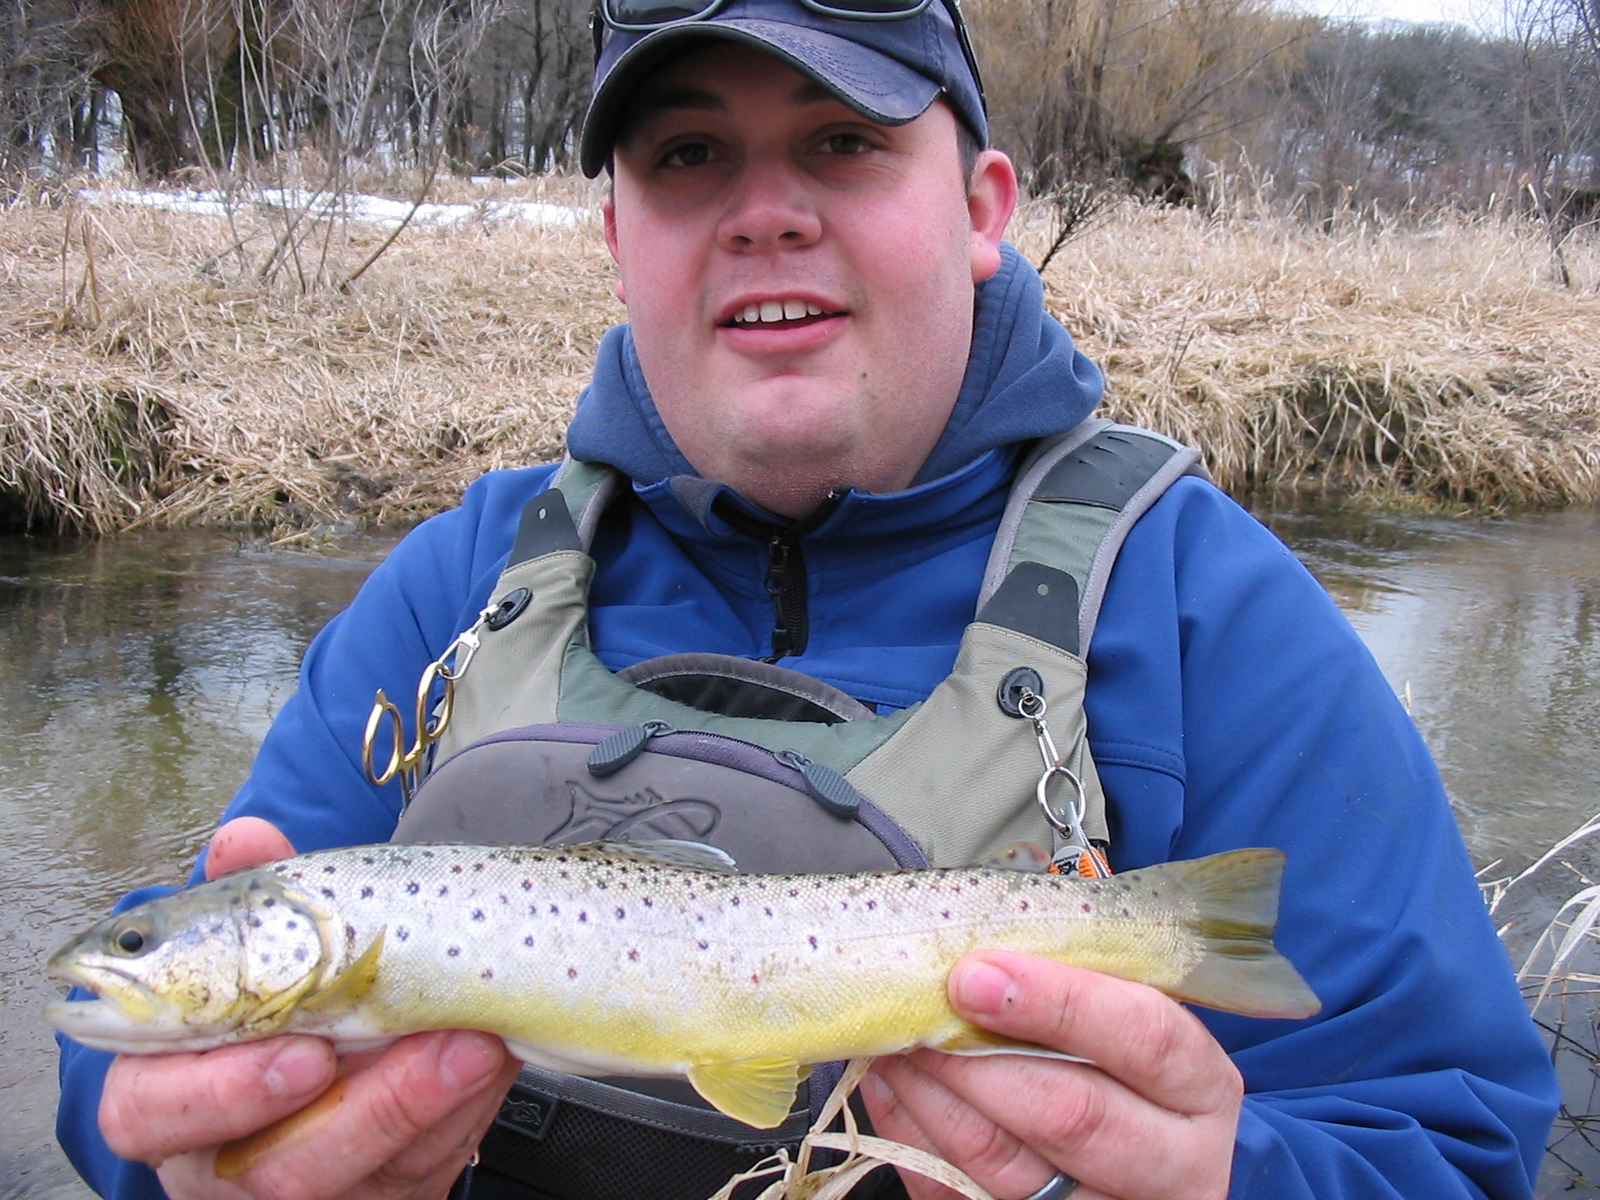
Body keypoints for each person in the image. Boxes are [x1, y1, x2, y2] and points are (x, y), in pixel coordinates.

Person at [56, 0, 1559, 1196]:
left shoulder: (1203, 613)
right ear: (616, 237)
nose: (764, 211)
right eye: (687, 155)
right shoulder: (462, 577)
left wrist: (1228, 1184)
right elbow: (119, 1061)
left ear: (982, 206)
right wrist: (182, 1151)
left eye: (842, 141)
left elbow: (1450, 1137)